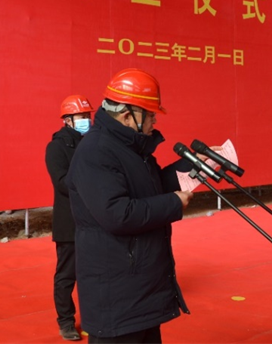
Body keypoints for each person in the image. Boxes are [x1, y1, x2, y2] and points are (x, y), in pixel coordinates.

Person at [67, 69, 193, 344]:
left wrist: (193, 166)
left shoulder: (130, 148)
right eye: (150, 115)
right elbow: (118, 214)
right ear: (127, 115)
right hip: (116, 296)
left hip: (140, 288)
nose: (155, 121)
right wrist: (173, 203)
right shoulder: (96, 151)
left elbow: (151, 186)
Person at [45, 95, 94, 341]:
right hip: (70, 222)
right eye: (81, 116)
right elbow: (62, 182)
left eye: (88, 116)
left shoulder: (92, 142)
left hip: (94, 220)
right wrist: (91, 183)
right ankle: (65, 321)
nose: (87, 120)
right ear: (67, 120)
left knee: (93, 273)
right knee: (66, 275)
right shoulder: (56, 147)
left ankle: (92, 318)